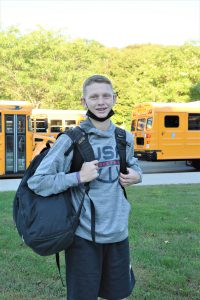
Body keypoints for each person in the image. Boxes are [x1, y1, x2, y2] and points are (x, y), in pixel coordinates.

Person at [27, 75, 142, 300]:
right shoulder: (71, 140)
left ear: (115, 98)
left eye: (106, 95)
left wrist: (138, 175)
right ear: (84, 101)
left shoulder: (124, 137)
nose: (101, 102)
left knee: (118, 295)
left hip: (119, 234)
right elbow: (37, 182)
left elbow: (134, 165)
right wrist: (78, 176)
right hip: (84, 238)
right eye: (94, 96)